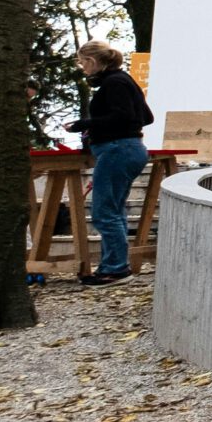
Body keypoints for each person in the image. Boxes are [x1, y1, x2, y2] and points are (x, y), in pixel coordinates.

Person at [66, 42, 152, 285]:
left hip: (117, 149)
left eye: (83, 63)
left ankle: (115, 269)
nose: (83, 68)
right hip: (129, 148)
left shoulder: (113, 83)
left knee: (104, 212)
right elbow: (146, 117)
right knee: (114, 211)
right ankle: (113, 266)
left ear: (92, 61)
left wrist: (85, 124)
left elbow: (122, 116)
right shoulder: (124, 80)